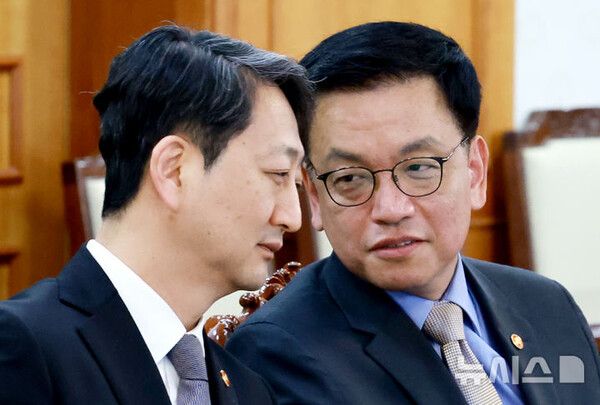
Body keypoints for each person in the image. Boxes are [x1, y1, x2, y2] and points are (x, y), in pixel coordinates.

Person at [226, 21, 600, 404]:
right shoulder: (279, 356)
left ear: (474, 172)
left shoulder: (547, 305)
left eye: (419, 168)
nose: (390, 210)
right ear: (316, 197)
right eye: (350, 177)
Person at [0, 25, 312, 404]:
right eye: (278, 173)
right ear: (174, 170)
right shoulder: (23, 347)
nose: (293, 218)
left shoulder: (249, 389)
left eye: (296, 183)